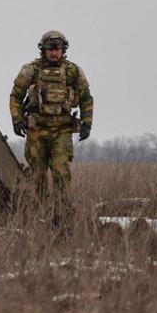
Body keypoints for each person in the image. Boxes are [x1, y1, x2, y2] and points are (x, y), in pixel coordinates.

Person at [9, 31, 94, 215]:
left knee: (61, 172)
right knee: (37, 175)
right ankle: (39, 213)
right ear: (43, 50)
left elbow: (86, 98)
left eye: (58, 49)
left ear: (63, 50)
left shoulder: (73, 71)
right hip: (36, 130)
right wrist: (17, 120)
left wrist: (87, 123)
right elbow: (16, 96)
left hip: (62, 130)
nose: (54, 53)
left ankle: (60, 213)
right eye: (50, 49)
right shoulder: (31, 70)